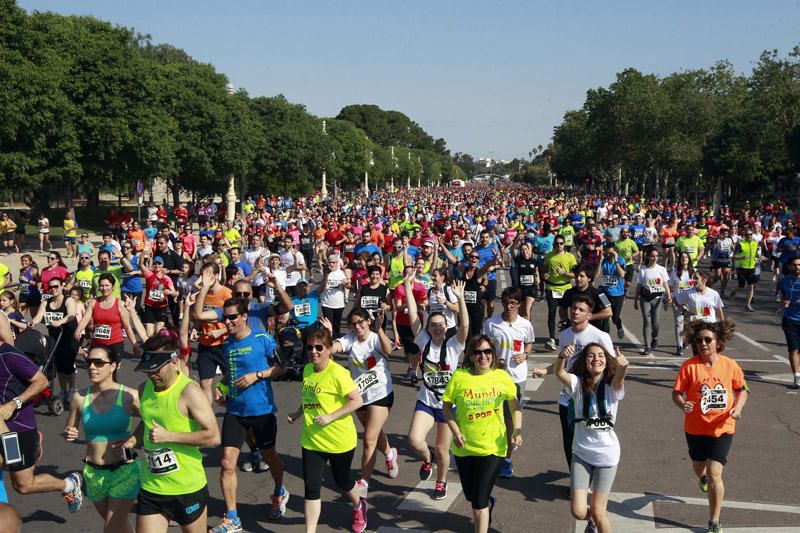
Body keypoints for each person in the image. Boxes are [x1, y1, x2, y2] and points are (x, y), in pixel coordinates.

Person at [122, 334, 221, 533]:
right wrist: (133, 440)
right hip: (153, 487)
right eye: (148, 370)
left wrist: (169, 436)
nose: (152, 374)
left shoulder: (189, 392)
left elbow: (213, 436)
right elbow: (149, 422)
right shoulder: (144, 389)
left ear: (174, 361)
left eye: (157, 368)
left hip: (187, 488)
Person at [210, 297, 289, 532]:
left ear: (244, 316)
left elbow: (282, 367)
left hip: (261, 410)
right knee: (226, 463)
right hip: (235, 411)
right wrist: (221, 388)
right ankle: (232, 517)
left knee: (269, 456)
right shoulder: (227, 344)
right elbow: (230, 374)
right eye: (225, 317)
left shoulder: (261, 338)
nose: (228, 321)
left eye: (232, 317)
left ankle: (279, 491)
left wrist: (258, 375)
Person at [286, 328, 367, 533]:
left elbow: (357, 401)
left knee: (343, 481)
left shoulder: (338, 373)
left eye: (319, 348)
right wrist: (297, 413)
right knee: (311, 488)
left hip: (339, 441)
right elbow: (310, 399)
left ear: (329, 349)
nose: (314, 351)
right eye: (310, 347)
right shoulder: (307, 370)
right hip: (312, 440)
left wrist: (331, 416)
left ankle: (359, 505)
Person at [672, 319, 748, 533]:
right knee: (700, 468)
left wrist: (738, 408)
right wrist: (682, 403)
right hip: (695, 427)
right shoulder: (689, 367)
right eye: (699, 341)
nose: (703, 343)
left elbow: (742, 389)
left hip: (722, 427)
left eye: (708, 340)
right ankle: (701, 477)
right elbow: (676, 393)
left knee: (715, 472)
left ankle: (714, 521)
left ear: (718, 342)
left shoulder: (730, 365)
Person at [442, 335, 523, 533]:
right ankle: (487, 501)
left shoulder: (502, 377)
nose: (483, 356)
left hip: (493, 448)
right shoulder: (459, 377)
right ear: (470, 356)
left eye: (487, 352)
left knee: (477, 503)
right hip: (464, 448)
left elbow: (515, 407)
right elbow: (446, 406)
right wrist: (456, 430)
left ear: (493, 355)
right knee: (472, 496)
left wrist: (518, 431)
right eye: (478, 352)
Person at [0, 336, 83, 512]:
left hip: (17, 429)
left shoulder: (9, 356)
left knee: (23, 484)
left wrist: (13, 404)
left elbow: (42, 381)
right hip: (3, 429)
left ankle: (68, 484)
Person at [322, 307, 398, 500]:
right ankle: (389, 454)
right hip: (360, 396)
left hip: (381, 393)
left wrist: (380, 329)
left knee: (369, 439)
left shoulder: (374, 338)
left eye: (360, 321)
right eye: (353, 323)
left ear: (368, 321)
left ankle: (363, 482)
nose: (357, 326)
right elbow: (331, 351)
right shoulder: (350, 340)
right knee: (375, 431)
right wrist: (329, 334)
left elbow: (388, 350)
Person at [62, 346, 140, 533]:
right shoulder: (80, 398)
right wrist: (69, 432)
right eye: (89, 362)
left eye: (99, 363)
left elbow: (152, 422)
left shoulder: (129, 395)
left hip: (124, 471)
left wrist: (133, 440)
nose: (92, 367)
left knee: (111, 529)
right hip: (93, 474)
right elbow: (70, 427)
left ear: (113, 366)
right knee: (120, 527)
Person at [405, 274, 469, 500]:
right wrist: (406, 285)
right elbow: (413, 316)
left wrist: (460, 299)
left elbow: (465, 325)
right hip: (427, 400)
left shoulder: (454, 345)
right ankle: (426, 458)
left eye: (441, 325)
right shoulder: (424, 340)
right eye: (433, 325)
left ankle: (441, 482)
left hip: (447, 405)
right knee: (414, 440)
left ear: (446, 326)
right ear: (429, 328)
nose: (437, 329)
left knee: (443, 449)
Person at [554, 342, 628, 533]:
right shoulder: (577, 383)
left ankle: (596, 519)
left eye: (601, 355)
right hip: (581, 453)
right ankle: (592, 521)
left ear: (606, 361)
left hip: (607, 455)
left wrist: (624, 366)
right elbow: (559, 374)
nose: (596, 359)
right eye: (591, 356)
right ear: (584, 361)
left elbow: (620, 377)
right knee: (578, 512)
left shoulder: (612, 386)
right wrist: (562, 357)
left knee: (598, 511)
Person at [556, 295, 615, 468]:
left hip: (591, 397)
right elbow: (562, 362)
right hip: (568, 395)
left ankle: (594, 471)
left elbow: (611, 365)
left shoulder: (600, 336)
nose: (575, 312)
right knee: (569, 439)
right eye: (574, 308)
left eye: (581, 310)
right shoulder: (565, 334)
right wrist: (546, 370)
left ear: (589, 315)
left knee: (592, 437)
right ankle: (575, 476)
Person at [482, 286, 535, 478]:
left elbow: (529, 342)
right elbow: (484, 345)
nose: (508, 306)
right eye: (505, 302)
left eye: (513, 303)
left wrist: (525, 355)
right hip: (495, 375)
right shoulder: (491, 323)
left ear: (519, 304)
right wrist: (495, 359)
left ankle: (506, 459)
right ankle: (494, 447)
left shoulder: (525, 324)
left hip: (517, 378)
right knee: (493, 414)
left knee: (510, 418)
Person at [28, 277, 79, 404]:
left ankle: (72, 389)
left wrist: (60, 321)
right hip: (54, 337)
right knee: (58, 365)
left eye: (56, 286)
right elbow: (39, 316)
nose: (53, 289)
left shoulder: (69, 300)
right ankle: (63, 391)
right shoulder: (46, 302)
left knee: (68, 364)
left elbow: (71, 315)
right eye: (50, 287)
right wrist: (32, 322)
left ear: (62, 286)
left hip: (68, 336)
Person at [74, 273, 137, 359]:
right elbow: (86, 318)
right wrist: (78, 330)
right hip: (97, 343)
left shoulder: (120, 304)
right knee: (96, 370)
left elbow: (127, 327)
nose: (104, 288)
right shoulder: (94, 302)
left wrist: (134, 344)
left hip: (115, 344)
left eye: (107, 285)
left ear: (113, 287)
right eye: (102, 286)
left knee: (111, 371)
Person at [634, 248, 671, 355]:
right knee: (646, 320)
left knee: (656, 323)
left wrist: (668, 296)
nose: (654, 258)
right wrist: (636, 299)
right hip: (645, 298)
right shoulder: (643, 269)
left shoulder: (661, 269)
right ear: (648, 257)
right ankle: (647, 346)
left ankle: (654, 337)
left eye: (656, 256)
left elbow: (665, 284)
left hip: (658, 298)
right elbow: (639, 285)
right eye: (652, 256)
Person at [543, 235, 577, 350]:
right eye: (557, 243)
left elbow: (575, 274)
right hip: (552, 288)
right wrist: (544, 275)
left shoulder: (570, 257)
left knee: (568, 313)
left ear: (564, 244)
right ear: (554, 245)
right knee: (552, 312)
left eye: (561, 243)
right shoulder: (549, 256)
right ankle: (551, 338)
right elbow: (544, 269)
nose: (559, 245)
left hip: (566, 288)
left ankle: (567, 336)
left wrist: (564, 274)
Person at [596, 242, 627, 340]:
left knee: (615, 318)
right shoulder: (604, 260)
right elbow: (596, 275)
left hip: (618, 294)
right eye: (606, 253)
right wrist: (600, 261)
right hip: (605, 293)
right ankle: (606, 338)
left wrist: (616, 260)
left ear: (615, 252)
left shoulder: (621, 260)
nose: (608, 255)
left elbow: (622, 275)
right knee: (605, 316)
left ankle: (619, 326)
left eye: (610, 253)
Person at [779, 255, 800, 389]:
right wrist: (783, 302)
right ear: (790, 266)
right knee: (793, 349)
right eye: (795, 265)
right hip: (790, 319)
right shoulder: (784, 281)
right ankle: (796, 377)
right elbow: (781, 297)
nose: (797, 267)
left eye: (799, 265)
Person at [729, 227, 761, 312]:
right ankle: (734, 291)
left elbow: (756, 254)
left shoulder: (755, 243)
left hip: (751, 268)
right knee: (741, 286)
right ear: (744, 236)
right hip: (742, 268)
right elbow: (734, 257)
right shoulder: (740, 244)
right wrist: (742, 257)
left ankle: (748, 305)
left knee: (751, 286)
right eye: (747, 234)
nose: (749, 236)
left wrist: (761, 258)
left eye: (750, 234)